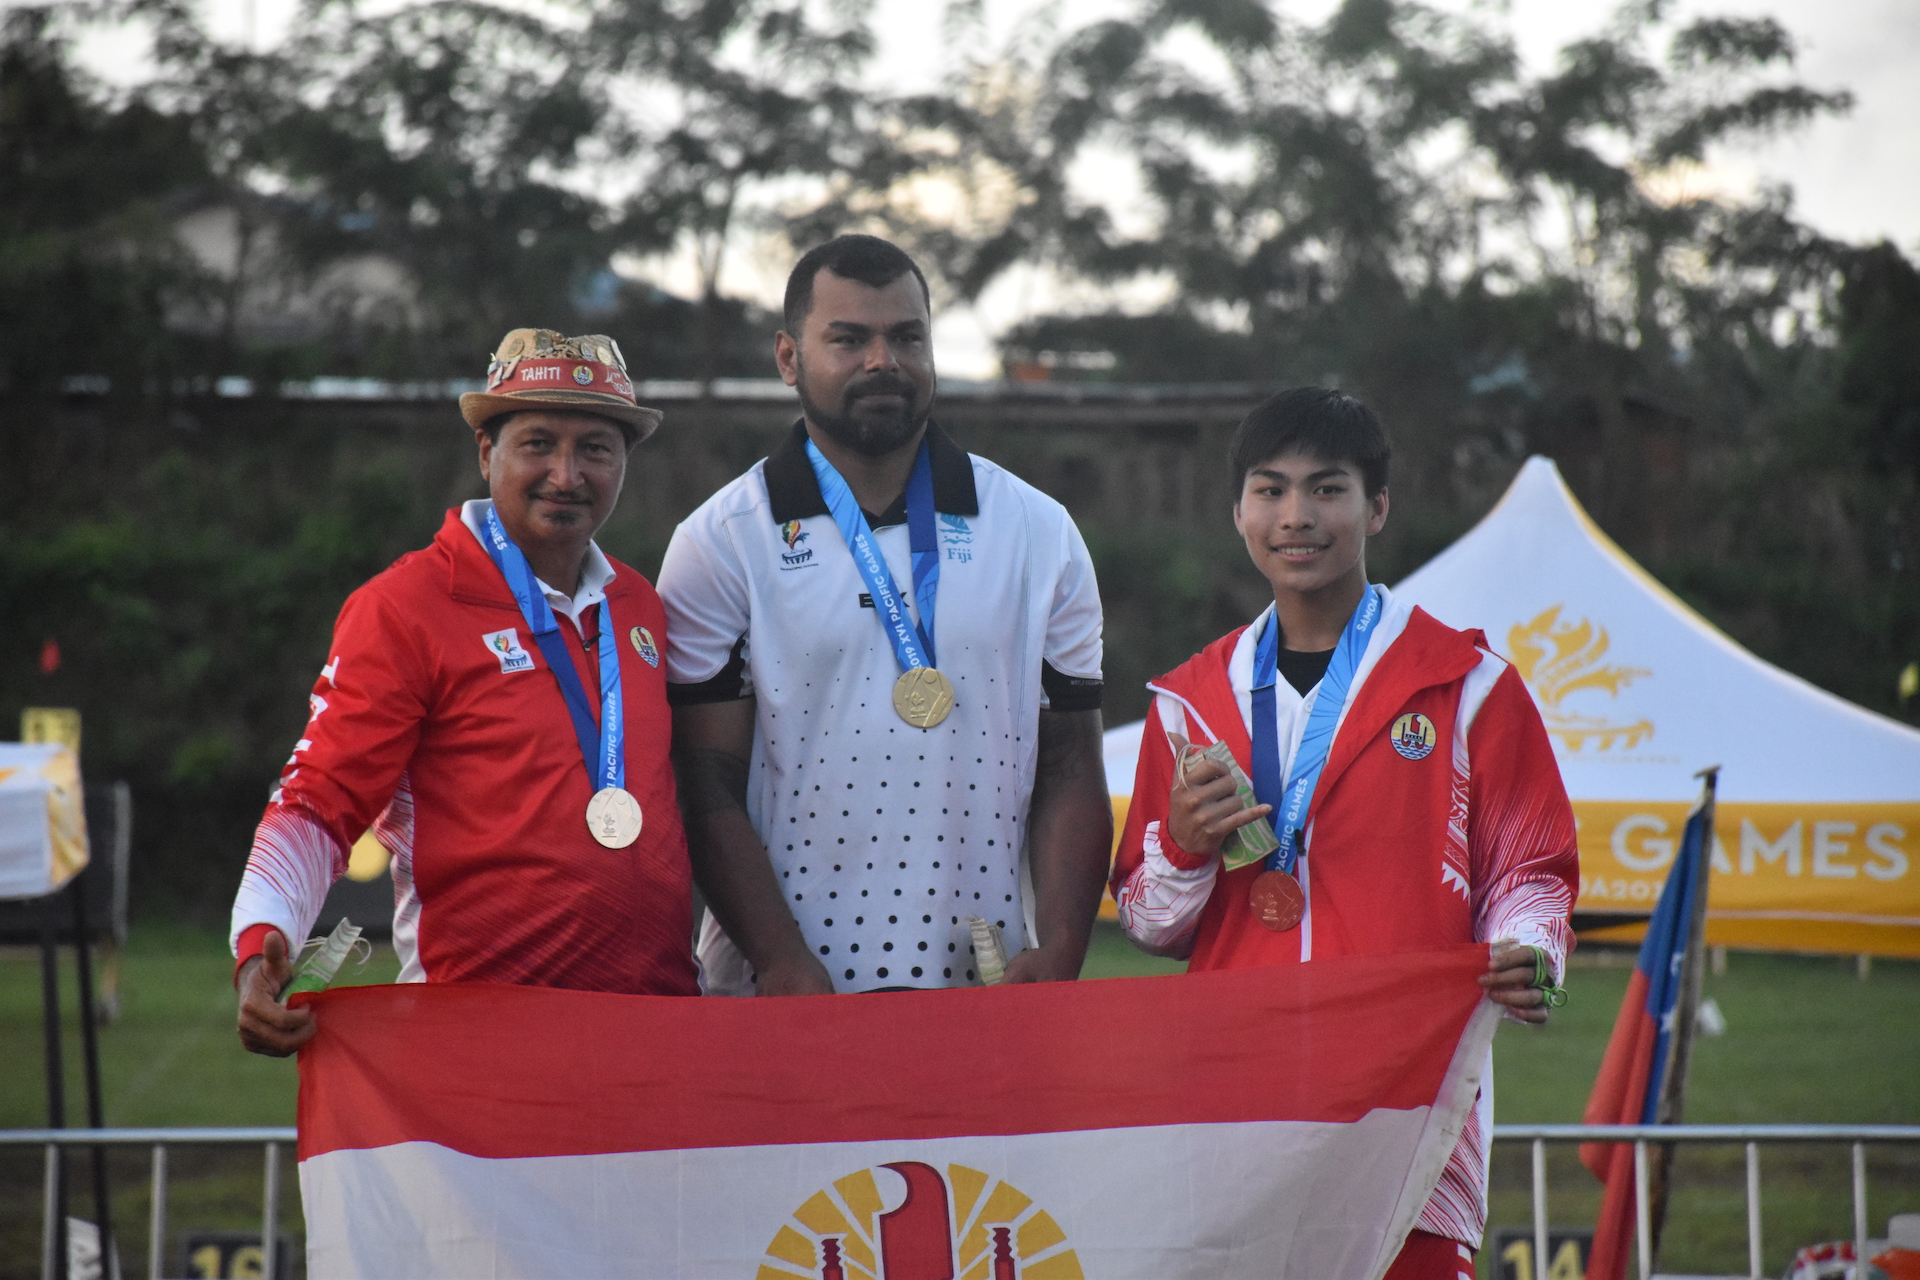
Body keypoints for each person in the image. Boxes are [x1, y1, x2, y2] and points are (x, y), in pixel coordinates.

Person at [1109, 387, 1579, 1279]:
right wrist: (1181, 844)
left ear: (1378, 507)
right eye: (1271, 490)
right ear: (1238, 510)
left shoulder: (1466, 683)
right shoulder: (1189, 703)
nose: (1297, 517)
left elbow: (1531, 872)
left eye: (1327, 490)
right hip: (1233, 1103)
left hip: (1410, 1101)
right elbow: (1149, 924)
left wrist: (1530, 952)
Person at [658, 234, 1111, 996]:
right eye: (849, 339)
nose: (882, 361)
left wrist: (1061, 948)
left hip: (985, 984)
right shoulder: (721, 541)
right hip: (782, 994)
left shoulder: (1038, 530)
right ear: (787, 357)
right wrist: (780, 958)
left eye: (906, 337)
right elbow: (705, 779)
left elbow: (1070, 763)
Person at [231, 329, 698, 1057]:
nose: (567, 474)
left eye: (596, 449)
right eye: (538, 443)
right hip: (479, 1044)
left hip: (655, 1029)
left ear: (625, 463)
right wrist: (262, 943)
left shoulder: (641, 605)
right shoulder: (405, 605)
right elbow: (319, 800)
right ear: (487, 453)